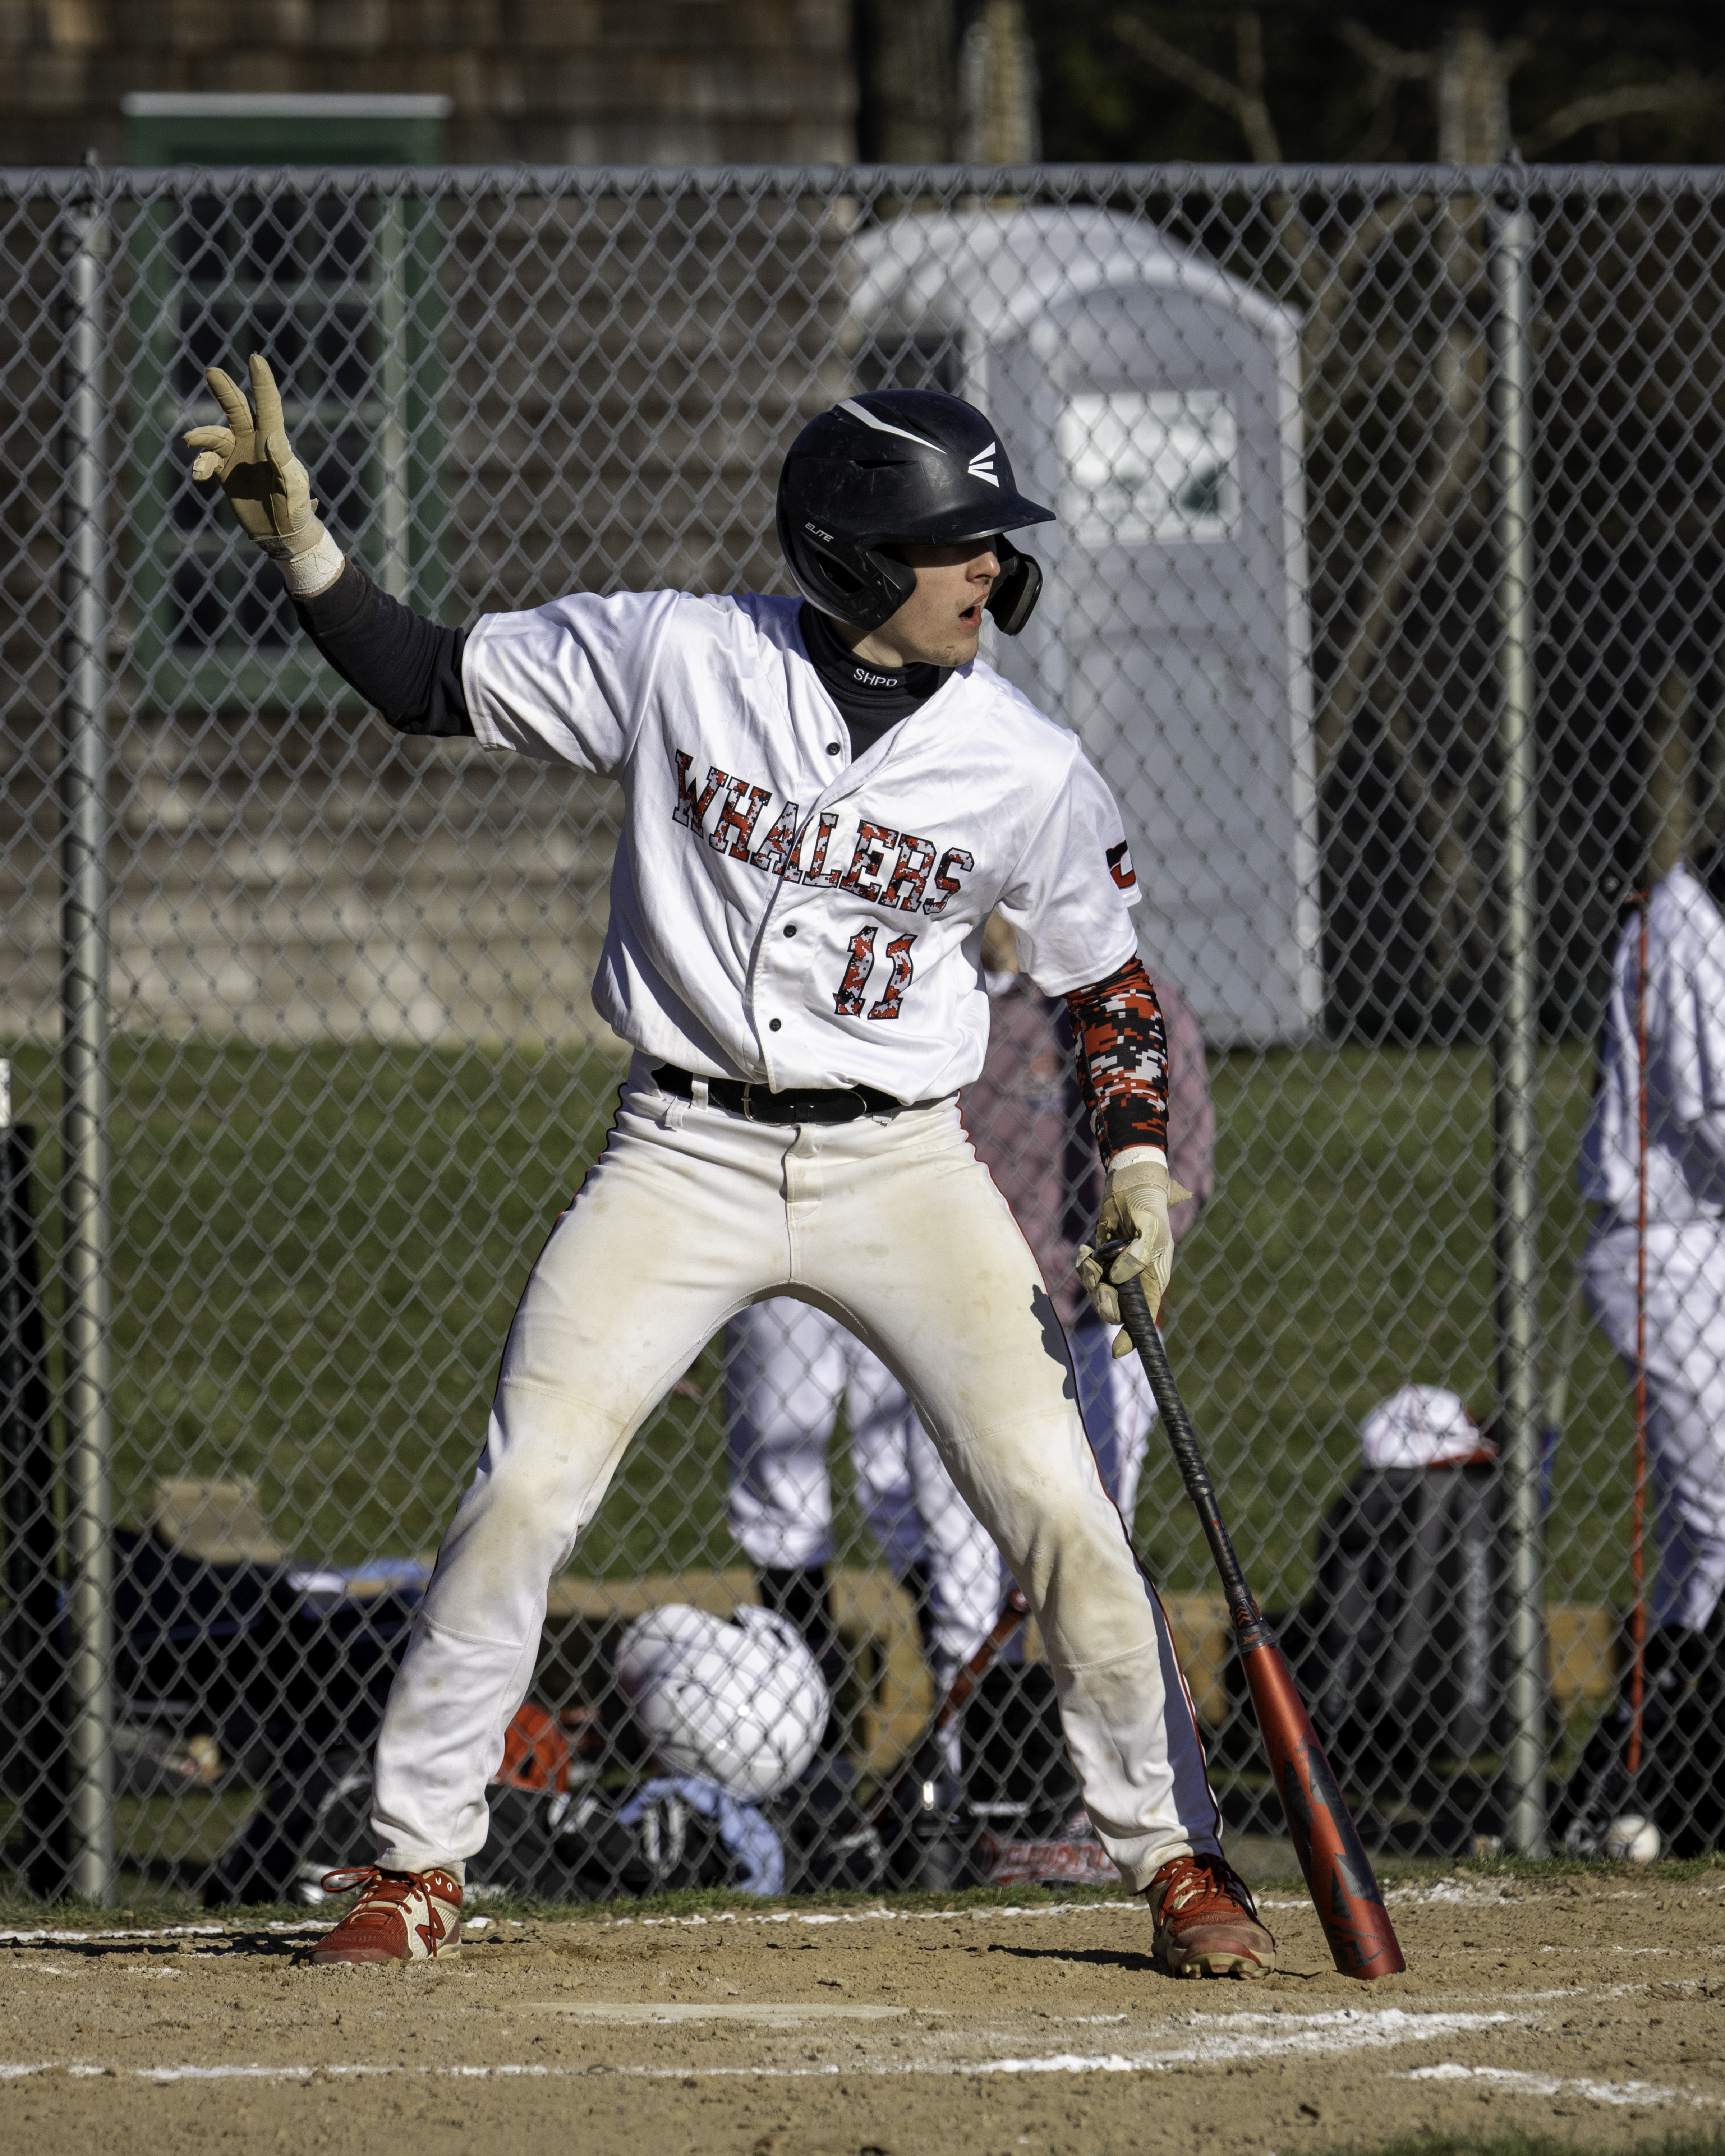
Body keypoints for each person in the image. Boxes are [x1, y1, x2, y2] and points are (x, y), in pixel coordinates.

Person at [182, 356, 1272, 1977]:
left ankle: (1176, 1860)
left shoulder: (1025, 763)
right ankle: (414, 1866)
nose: (994, 566)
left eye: (992, 540)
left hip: (905, 1168)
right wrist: (308, 554)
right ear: (849, 554)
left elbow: (1104, 983)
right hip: (679, 1146)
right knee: (527, 1484)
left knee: (1055, 1501)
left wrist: (1134, 1168)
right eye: (957, 539)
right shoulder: (681, 655)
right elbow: (425, 681)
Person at [726, 932, 1215, 1683]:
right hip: (950, 1310)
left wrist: (1136, 1244)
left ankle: (1085, 1741)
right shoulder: (921, 985)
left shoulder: (1118, 993)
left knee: (1083, 1546)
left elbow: (1184, 1152)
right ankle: (977, 1739)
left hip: (1083, 1318)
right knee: (949, 1552)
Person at [1563, 852, 1725, 1855]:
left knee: (1690, 1555)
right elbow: (1712, 1107)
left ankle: (1633, 1788)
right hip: (1665, 1252)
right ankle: (1667, 1779)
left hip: (1699, 1243)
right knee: (1717, 1534)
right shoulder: (1690, 932)